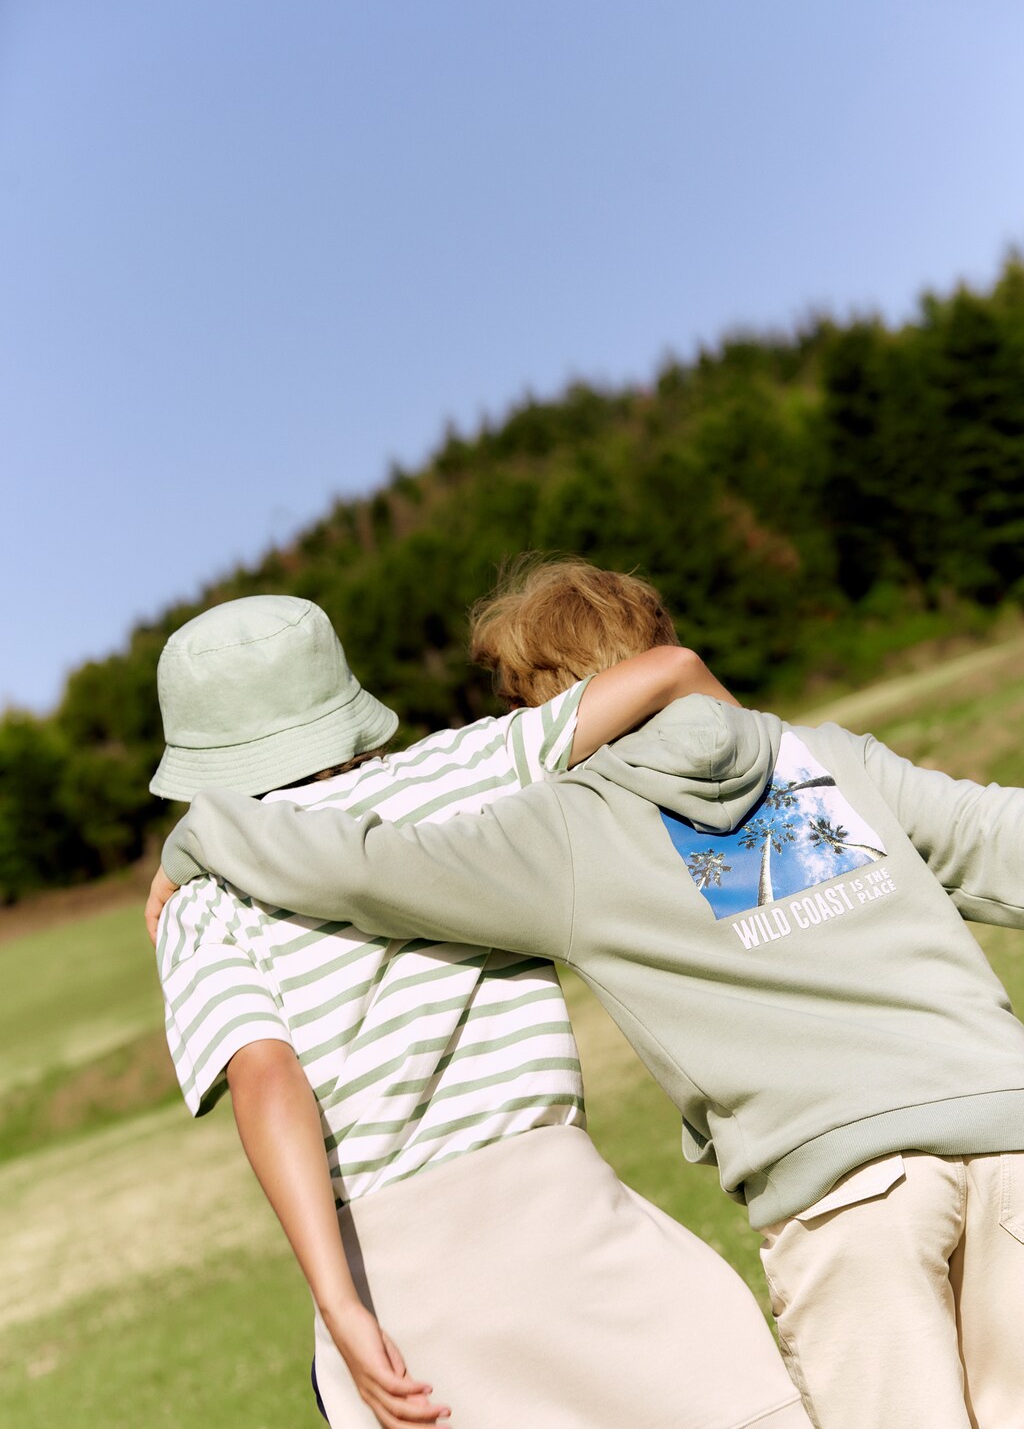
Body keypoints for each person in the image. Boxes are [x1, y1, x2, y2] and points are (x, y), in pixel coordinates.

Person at [156, 581, 1024, 1429]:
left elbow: (353, 889)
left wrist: (206, 832)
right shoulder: (816, 759)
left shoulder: (561, 828)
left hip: (839, 1202)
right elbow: (996, 840)